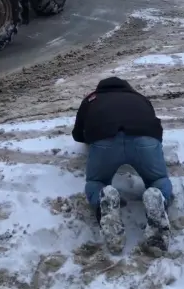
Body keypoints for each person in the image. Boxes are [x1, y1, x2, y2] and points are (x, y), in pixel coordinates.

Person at [72, 76, 173, 254]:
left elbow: (78, 135)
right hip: (145, 139)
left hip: (105, 141)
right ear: (127, 87)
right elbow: (157, 127)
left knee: (96, 182)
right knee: (158, 179)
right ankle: (158, 196)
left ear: (100, 88)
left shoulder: (91, 98)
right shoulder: (140, 98)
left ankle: (104, 200)